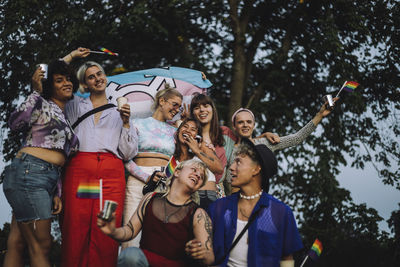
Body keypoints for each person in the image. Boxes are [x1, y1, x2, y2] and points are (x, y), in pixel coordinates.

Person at [60, 49, 138, 267]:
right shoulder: (74, 105)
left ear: (106, 77)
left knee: (105, 224)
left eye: (100, 74)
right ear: (84, 84)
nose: (97, 78)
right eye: (91, 77)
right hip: (81, 170)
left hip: (111, 176)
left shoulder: (120, 111)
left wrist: (125, 123)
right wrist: (72, 56)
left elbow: (128, 153)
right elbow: (50, 77)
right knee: (77, 224)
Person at [3, 60, 79, 267]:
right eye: (59, 80)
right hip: (30, 173)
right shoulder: (41, 103)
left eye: (69, 79)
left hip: (42, 178)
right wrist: (35, 92)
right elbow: (15, 123)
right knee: (42, 243)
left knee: (18, 242)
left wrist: (56, 192)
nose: (67, 83)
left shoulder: (63, 116)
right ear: (49, 85)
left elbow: (59, 161)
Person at [97, 159, 215, 267]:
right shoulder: (150, 198)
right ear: (177, 172)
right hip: (145, 262)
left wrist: (203, 253)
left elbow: (210, 258)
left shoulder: (199, 214)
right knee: (130, 255)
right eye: (194, 170)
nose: (198, 175)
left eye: (201, 177)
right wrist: (112, 230)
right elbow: (129, 231)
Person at [208, 139, 303, 267]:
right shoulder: (218, 208)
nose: (231, 167)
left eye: (238, 162)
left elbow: (287, 257)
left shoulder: (281, 213)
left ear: (256, 169)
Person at [226, 99, 338, 192]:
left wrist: (319, 115)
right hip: (233, 203)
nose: (245, 125)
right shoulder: (228, 149)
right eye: (240, 122)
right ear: (234, 126)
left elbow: (296, 138)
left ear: (254, 125)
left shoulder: (264, 144)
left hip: (257, 201)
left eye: (249, 122)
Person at [122, 85, 184, 248]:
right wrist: (146, 177)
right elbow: (126, 157)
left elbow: (179, 158)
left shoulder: (175, 131)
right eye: (174, 104)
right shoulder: (137, 124)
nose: (177, 109)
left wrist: (182, 125)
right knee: (131, 237)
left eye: (180, 106)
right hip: (137, 183)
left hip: (165, 186)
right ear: (162, 101)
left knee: (159, 238)